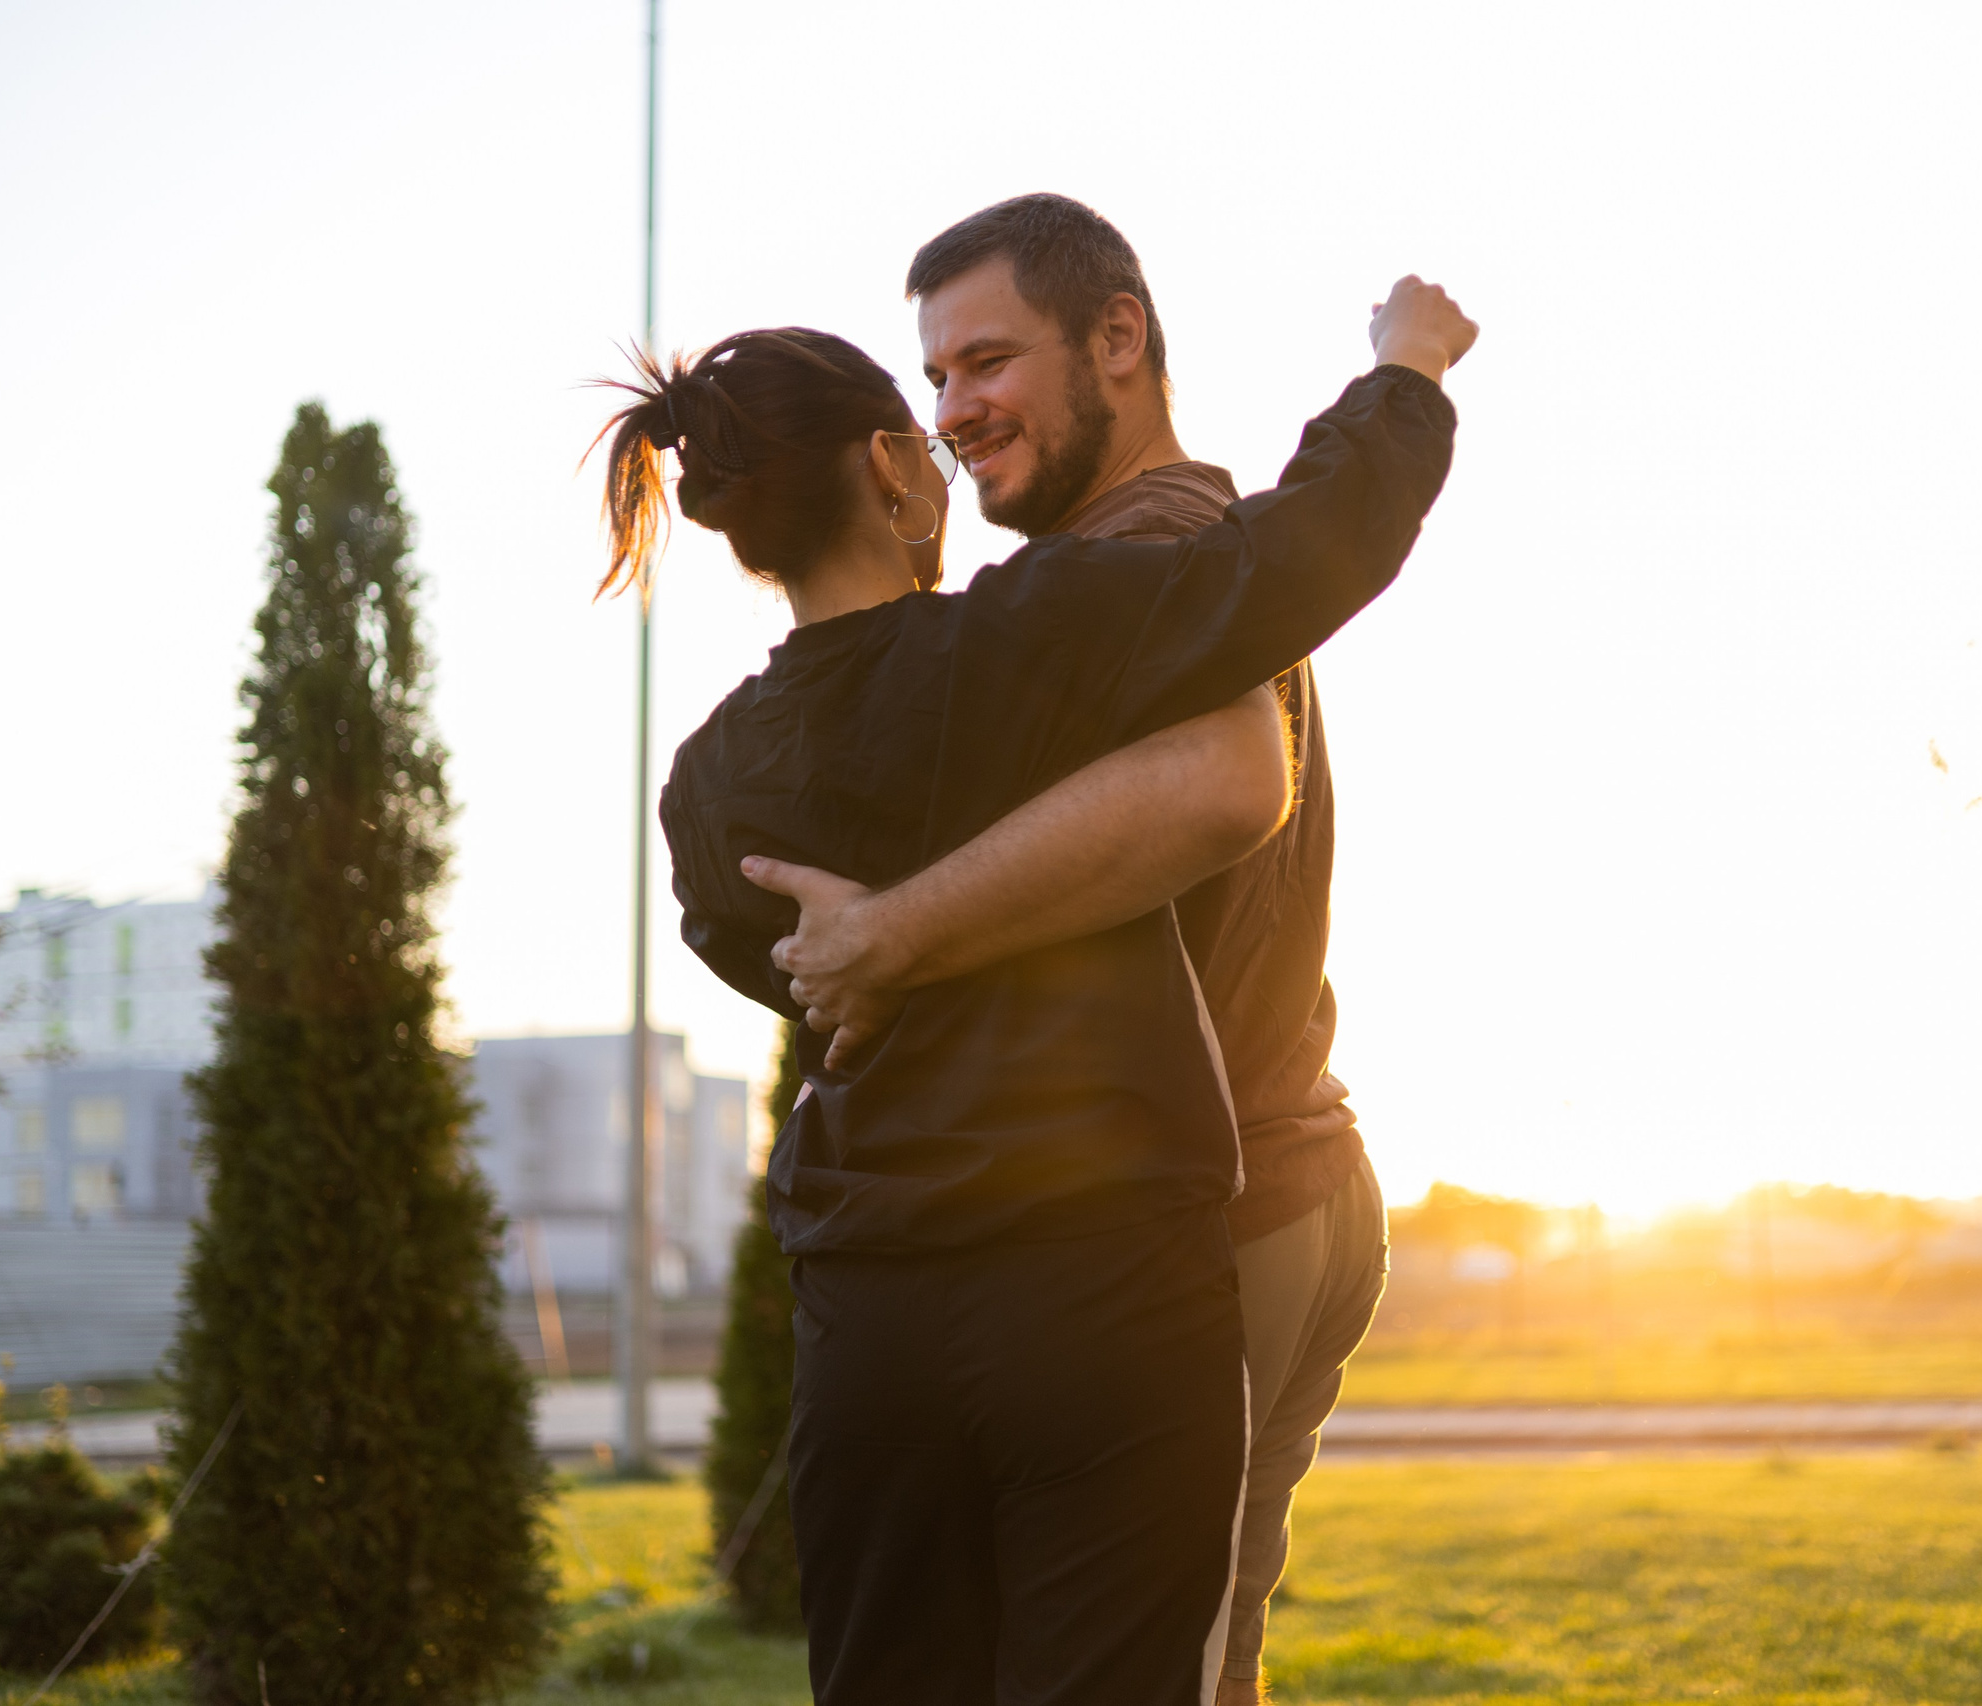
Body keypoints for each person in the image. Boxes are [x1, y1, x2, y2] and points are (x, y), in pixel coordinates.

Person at [607, 282, 1470, 1705]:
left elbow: (798, 974)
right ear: (891, 466)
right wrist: (1409, 367)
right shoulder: (1031, 639)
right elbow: (1307, 545)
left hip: (868, 1325)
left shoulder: (707, 787)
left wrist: (897, 942)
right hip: (1103, 1293)